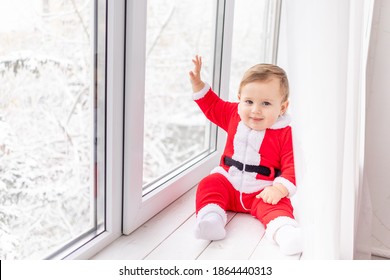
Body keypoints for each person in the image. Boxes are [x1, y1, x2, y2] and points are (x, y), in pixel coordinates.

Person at [189, 55, 303, 255]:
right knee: (209, 184)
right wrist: (198, 84)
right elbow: (212, 106)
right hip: (229, 181)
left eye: (266, 103)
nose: (255, 110)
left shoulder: (285, 133)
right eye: (249, 101)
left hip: (261, 191)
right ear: (239, 99)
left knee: (279, 207)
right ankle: (211, 219)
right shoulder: (234, 114)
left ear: (282, 107)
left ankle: (285, 233)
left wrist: (279, 189)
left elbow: (292, 167)